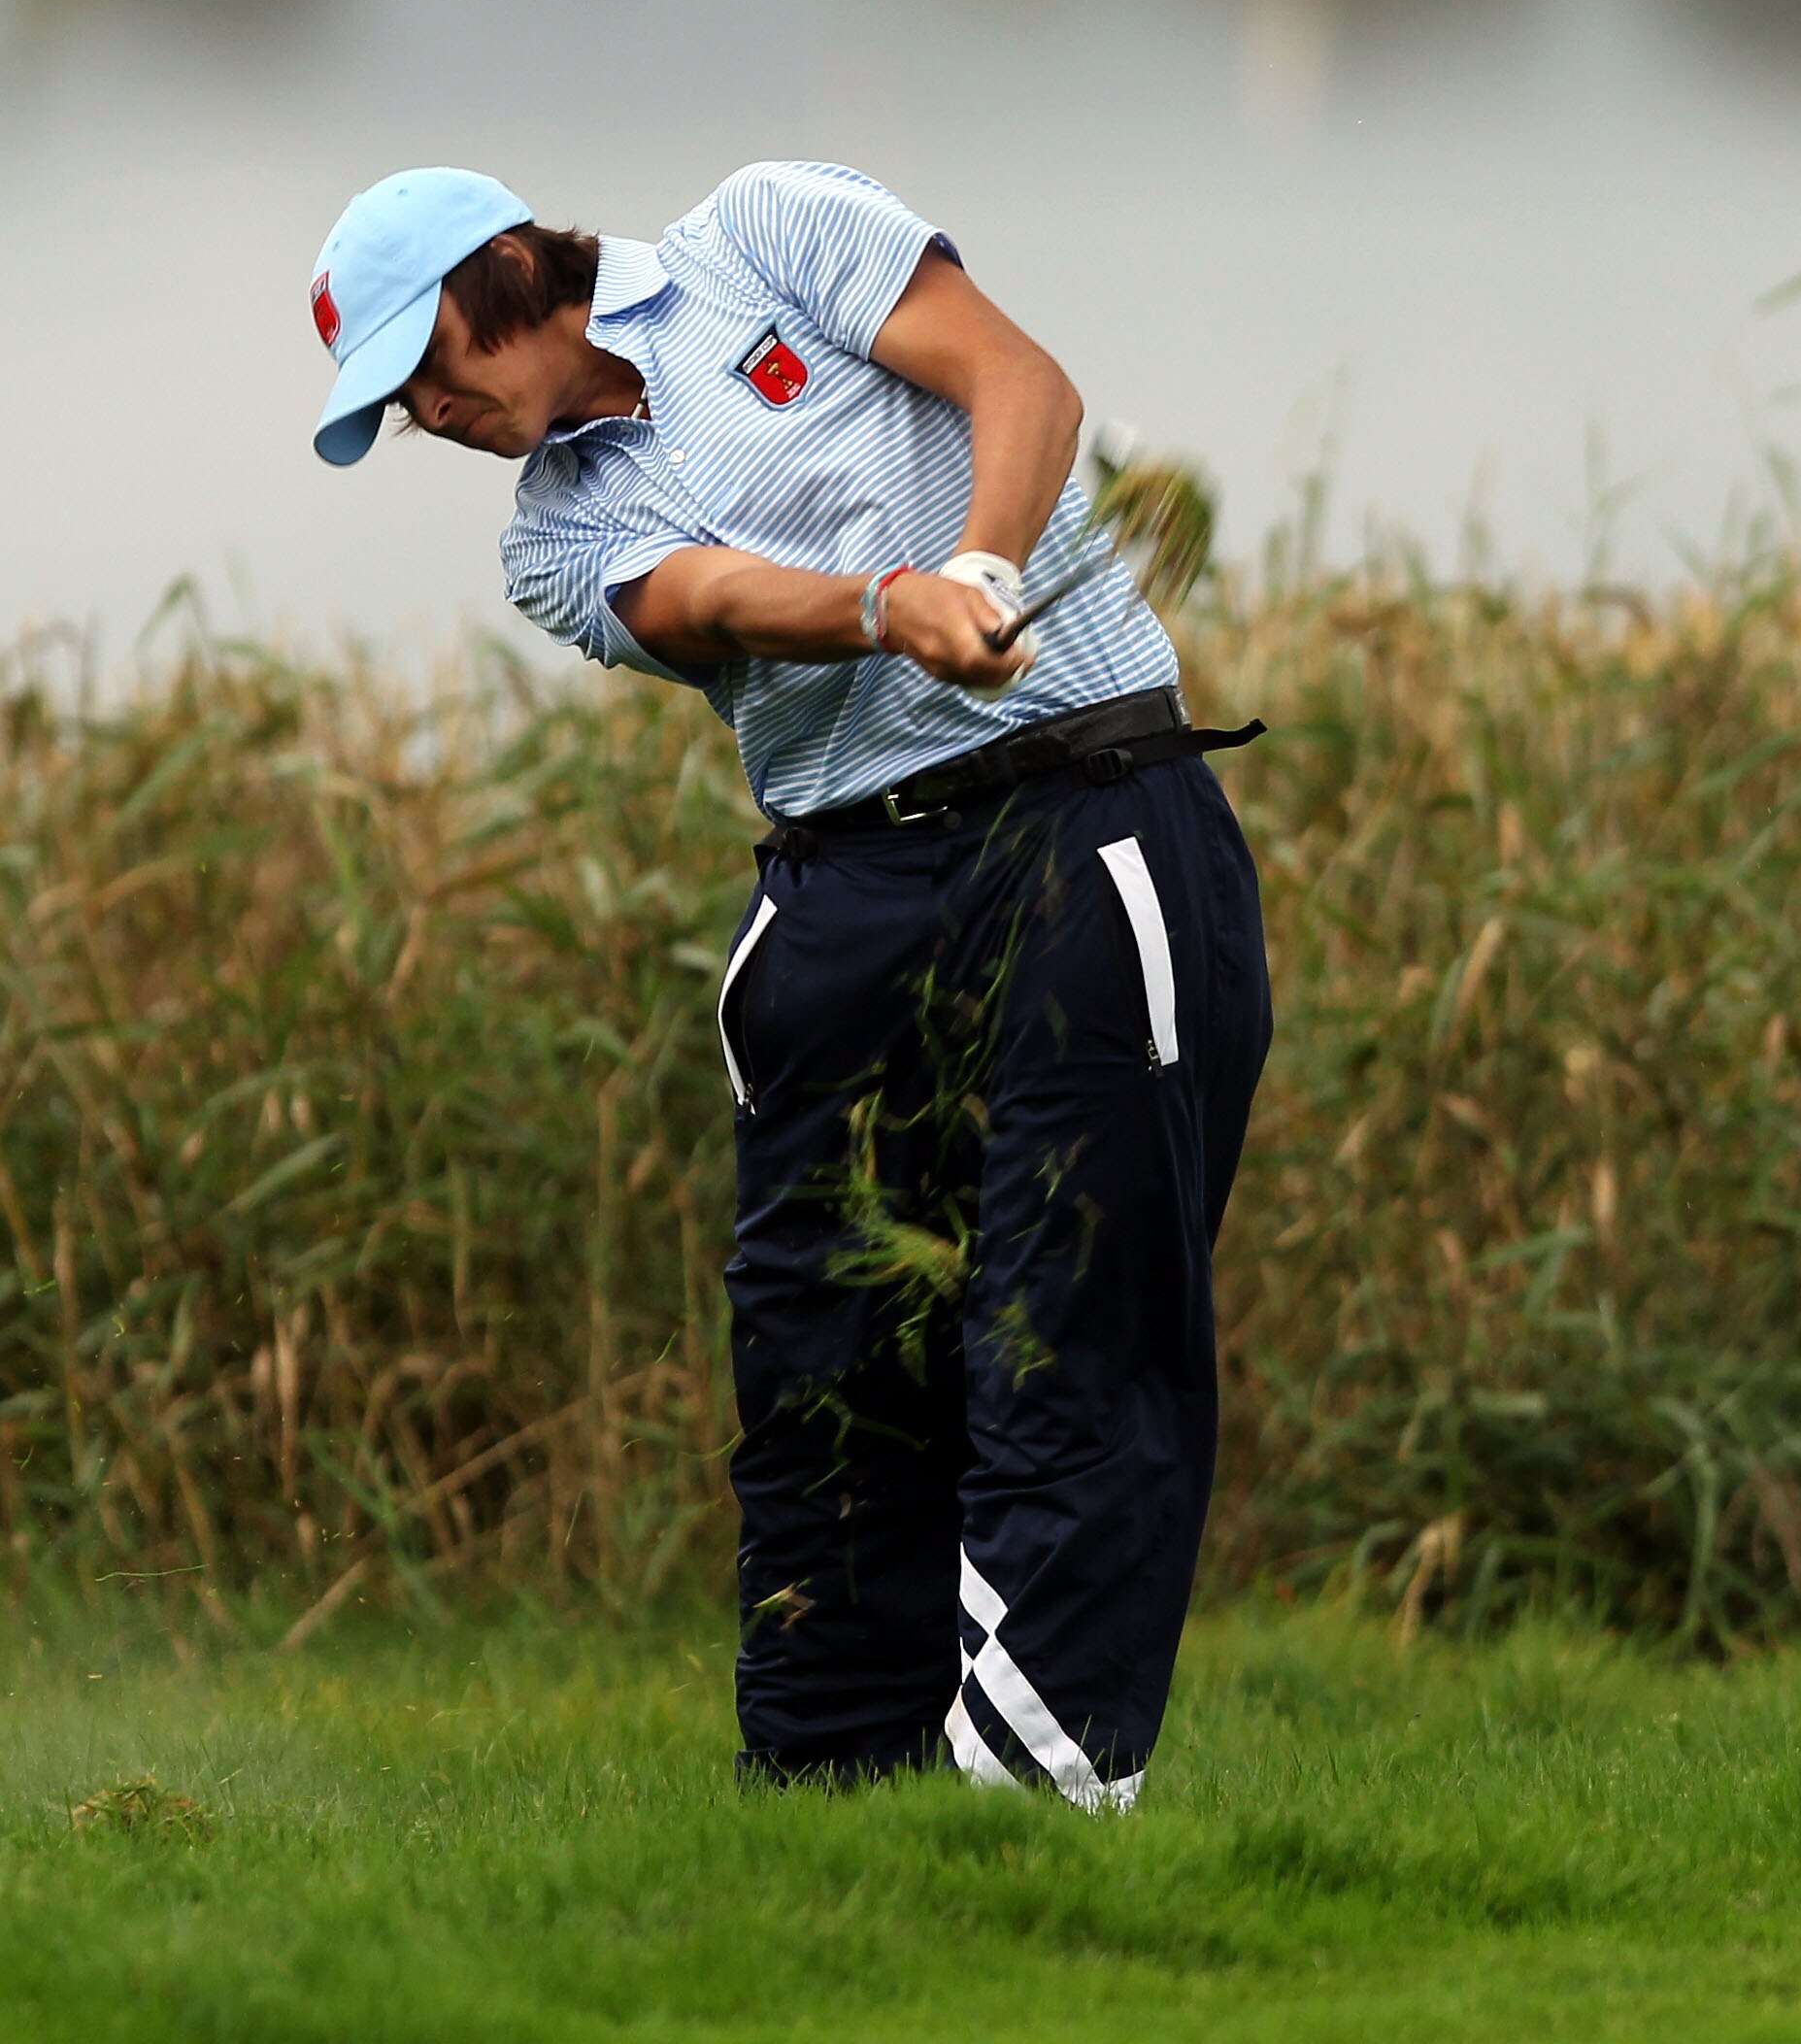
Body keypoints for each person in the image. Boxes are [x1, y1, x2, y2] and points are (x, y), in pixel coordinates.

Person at [306, 159, 1269, 1806]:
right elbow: (712, 599)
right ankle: (832, 1801)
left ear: (503, 270)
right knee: (829, 1351)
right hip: (847, 892)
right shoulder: (555, 536)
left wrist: (985, 570)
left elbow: (1016, 382)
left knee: (1068, 1321)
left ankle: (1034, 1807)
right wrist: (894, 612)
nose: (431, 413)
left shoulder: (768, 230)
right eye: (394, 405)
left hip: (1089, 816)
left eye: (428, 364)